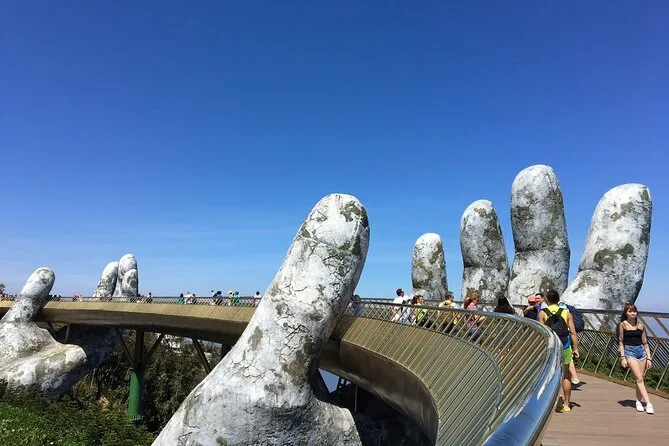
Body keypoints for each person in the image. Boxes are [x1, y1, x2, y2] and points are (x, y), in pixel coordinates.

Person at [539, 289, 579, 413]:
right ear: (558, 299)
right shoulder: (566, 312)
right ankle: (566, 404)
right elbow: (573, 332)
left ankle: (550, 403)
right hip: (565, 345)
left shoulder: (543, 313)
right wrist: (576, 349)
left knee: (549, 374)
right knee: (566, 375)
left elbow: (542, 333)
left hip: (551, 346)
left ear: (547, 300)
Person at [618, 302, 654, 414]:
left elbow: (645, 343)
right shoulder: (623, 325)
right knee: (638, 378)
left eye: (634, 311)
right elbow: (621, 342)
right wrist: (623, 357)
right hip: (630, 352)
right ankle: (648, 403)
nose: (633, 313)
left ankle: (638, 401)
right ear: (626, 313)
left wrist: (649, 358)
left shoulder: (640, 326)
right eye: (630, 311)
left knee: (641, 378)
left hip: (641, 352)